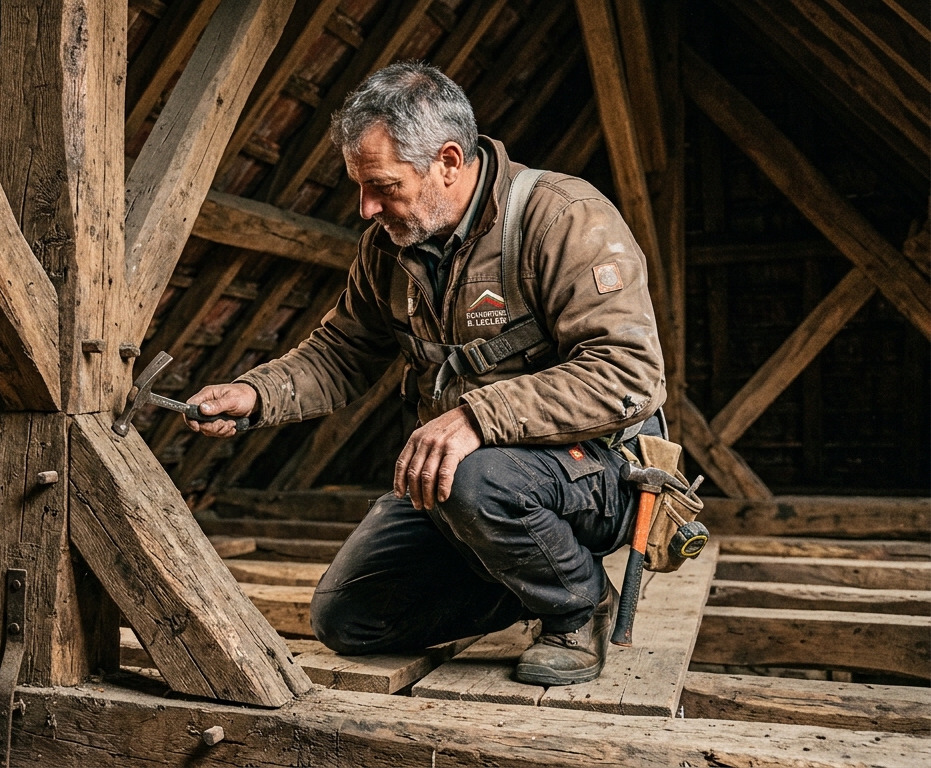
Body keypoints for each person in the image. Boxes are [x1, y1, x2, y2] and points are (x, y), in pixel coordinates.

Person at [183, 61, 666, 686]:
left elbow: (626, 375)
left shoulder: (563, 218)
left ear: (447, 160)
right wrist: (254, 395)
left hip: (597, 475)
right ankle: (528, 577)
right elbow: (341, 352)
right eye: (361, 187)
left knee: (475, 476)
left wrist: (476, 416)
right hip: (475, 484)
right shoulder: (389, 246)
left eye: (382, 185)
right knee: (349, 620)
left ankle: (577, 604)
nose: (366, 207)